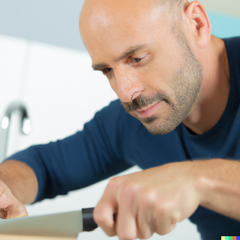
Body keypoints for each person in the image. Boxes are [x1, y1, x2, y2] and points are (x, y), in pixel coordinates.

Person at [0, 0, 240, 239]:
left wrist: (195, 181)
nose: (125, 92)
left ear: (196, 24)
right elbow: (44, 167)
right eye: (107, 71)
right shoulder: (137, 119)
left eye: (137, 58)